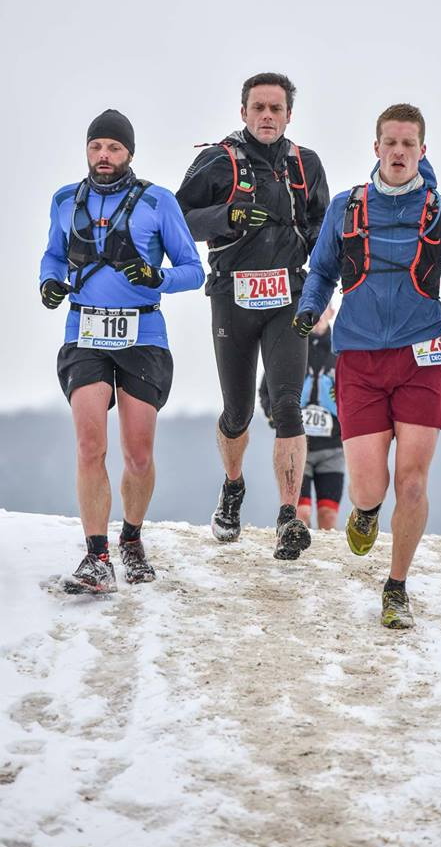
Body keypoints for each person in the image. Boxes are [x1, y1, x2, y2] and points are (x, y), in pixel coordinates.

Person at [293, 103, 441, 629]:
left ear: (422, 151)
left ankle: (396, 587)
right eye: (390, 142)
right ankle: (365, 514)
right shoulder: (345, 209)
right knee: (370, 487)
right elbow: (320, 273)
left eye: (408, 144)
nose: (398, 152)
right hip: (360, 361)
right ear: (376, 148)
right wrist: (306, 309)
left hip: (422, 359)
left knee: (411, 483)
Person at [40, 109, 205, 593]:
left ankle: (131, 538)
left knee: (137, 453)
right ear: (87, 151)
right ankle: (96, 556)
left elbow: (193, 270)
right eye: (96, 147)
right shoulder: (65, 201)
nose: (104, 156)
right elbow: (53, 253)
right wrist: (50, 281)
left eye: (113, 147)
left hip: (143, 335)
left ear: (129, 152)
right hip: (84, 332)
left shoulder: (158, 201)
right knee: (91, 445)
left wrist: (158, 277)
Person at [176, 72, 330, 560]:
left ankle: (287, 519)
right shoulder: (216, 162)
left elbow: (324, 228)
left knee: (287, 404)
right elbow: (177, 221)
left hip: (288, 298)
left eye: (276, 109)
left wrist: (327, 280)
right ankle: (233, 485)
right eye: (258, 108)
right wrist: (228, 217)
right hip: (232, 298)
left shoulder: (306, 165)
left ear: (289, 115)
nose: (267, 116)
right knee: (238, 412)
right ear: (243, 112)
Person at [259, 306, 344, 530]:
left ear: (331, 313)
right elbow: (265, 389)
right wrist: (273, 416)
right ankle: (300, 555)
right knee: (301, 512)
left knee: (328, 517)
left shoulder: (342, 350)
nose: (316, 318)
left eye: (322, 311)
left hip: (333, 448)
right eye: (312, 313)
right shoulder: (291, 347)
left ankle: (322, 563)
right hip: (297, 447)